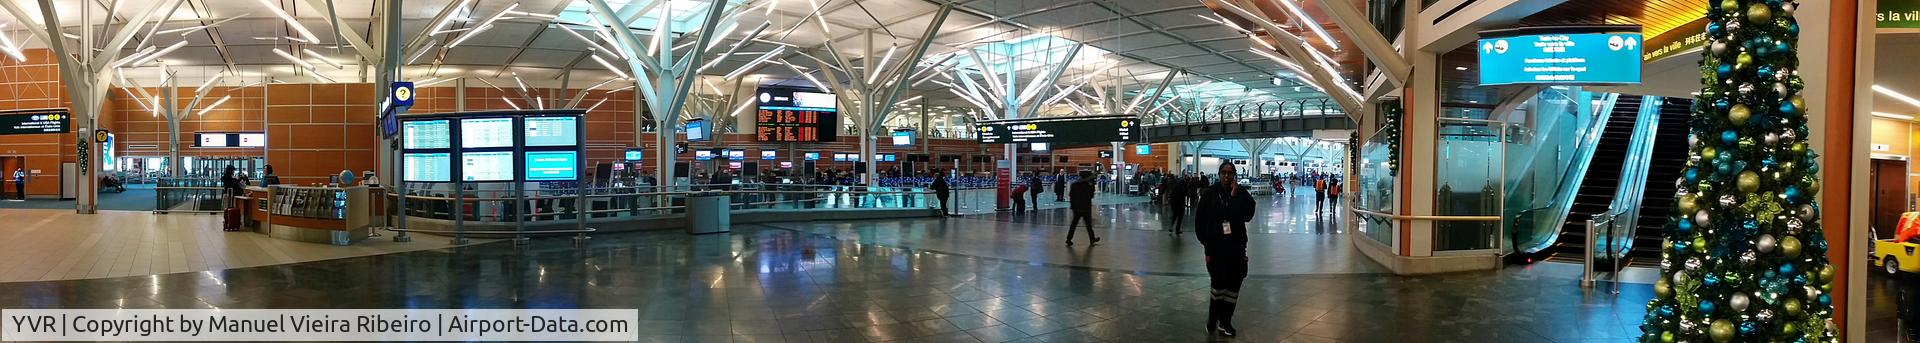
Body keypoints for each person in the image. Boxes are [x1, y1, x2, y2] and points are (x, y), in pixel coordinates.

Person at [1194, 163, 1254, 337]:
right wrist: (1207, 244)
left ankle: (1226, 322)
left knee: (1233, 286)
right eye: (1224, 173)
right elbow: (1200, 221)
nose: (1227, 176)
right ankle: (1213, 318)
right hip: (1216, 248)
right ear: (1219, 174)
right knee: (1218, 285)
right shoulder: (1210, 194)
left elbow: (1248, 215)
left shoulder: (1241, 193)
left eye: (1230, 173)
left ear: (1234, 175)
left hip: (1236, 248)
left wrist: (1235, 197)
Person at [1066, 170, 1099, 245]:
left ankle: (1068, 239)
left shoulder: (1074, 184)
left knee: (1074, 224)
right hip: (1085, 207)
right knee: (1088, 225)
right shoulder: (1088, 185)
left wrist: (1073, 206)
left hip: (1076, 207)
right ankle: (1092, 239)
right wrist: (1092, 184)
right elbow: (1091, 196)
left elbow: (1071, 195)